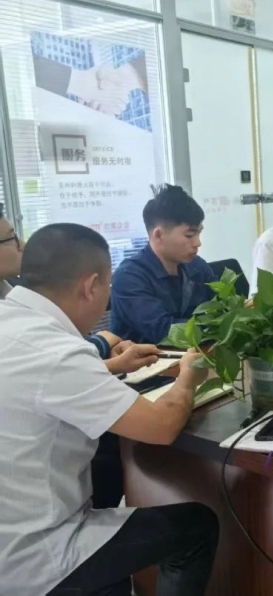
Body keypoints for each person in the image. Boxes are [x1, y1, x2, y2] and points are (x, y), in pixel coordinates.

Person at [0, 223, 218, 596]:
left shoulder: (13, 322)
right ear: (91, 286)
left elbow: (40, 384)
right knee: (197, 526)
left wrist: (111, 366)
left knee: (106, 457)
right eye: (107, 287)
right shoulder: (59, 353)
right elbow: (163, 426)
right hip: (34, 556)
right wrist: (188, 376)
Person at [111, 185, 217, 344]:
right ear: (159, 235)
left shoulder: (197, 266)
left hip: (195, 354)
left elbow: (222, 306)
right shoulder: (129, 276)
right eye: (189, 235)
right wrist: (219, 326)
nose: (197, 243)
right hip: (149, 358)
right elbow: (163, 330)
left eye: (199, 233)